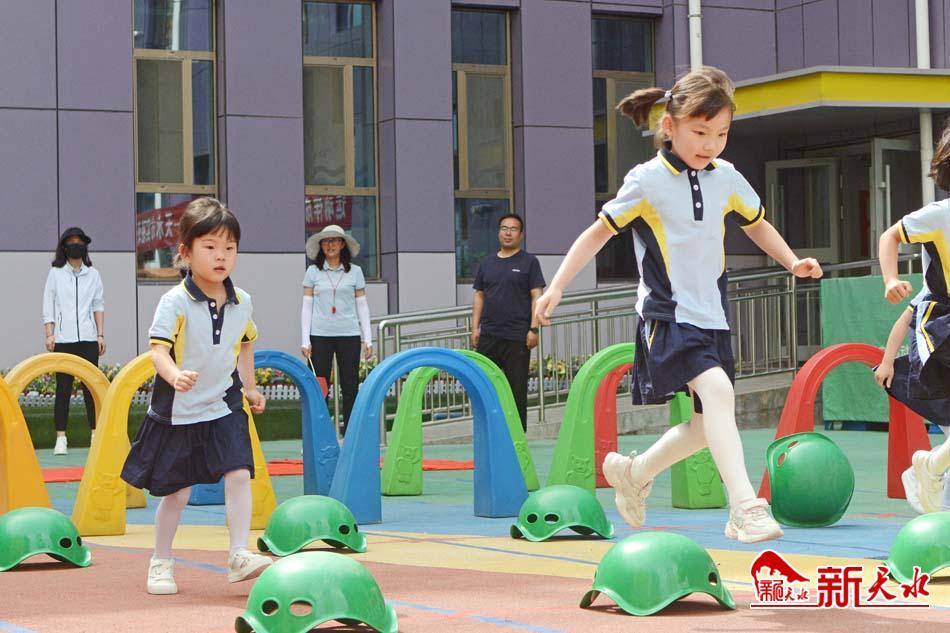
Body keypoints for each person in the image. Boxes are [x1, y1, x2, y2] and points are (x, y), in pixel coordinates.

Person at [534, 66, 822, 543]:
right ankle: (745, 507)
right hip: (666, 316)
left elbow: (755, 223)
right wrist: (558, 285)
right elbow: (598, 233)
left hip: (713, 315)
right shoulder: (646, 180)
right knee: (721, 395)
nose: (710, 144)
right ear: (670, 126)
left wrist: (792, 262)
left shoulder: (726, 176)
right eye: (700, 132)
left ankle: (635, 471)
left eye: (722, 133)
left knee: (706, 425)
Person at [120, 198, 272, 595]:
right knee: (177, 492)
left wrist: (251, 387)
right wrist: (174, 375)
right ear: (185, 253)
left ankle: (238, 554)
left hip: (223, 404)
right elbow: (158, 350)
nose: (221, 256)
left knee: (239, 472)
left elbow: (245, 343)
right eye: (210, 247)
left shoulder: (244, 301)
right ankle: (161, 561)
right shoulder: (174, 302)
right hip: (179, 411)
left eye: (229, 248)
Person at [878, 118, 950, 513]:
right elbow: (890, 235)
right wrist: (890, 278)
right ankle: (931, 473)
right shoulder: (940, 215)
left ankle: (930, 467)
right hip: (942, 323)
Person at [874, 290, 949, 513]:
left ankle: (928, 476)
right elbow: (904, 320)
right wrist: (887, 361)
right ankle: (932, 487)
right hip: (937, 379)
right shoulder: (933, 289)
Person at [470, 213, 545, 431]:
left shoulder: (529, 262)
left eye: (513, 229)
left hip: (517, 336)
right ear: (498, 232)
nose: (508, 232)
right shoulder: (487, 263)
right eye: (504, 228)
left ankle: (517, 436)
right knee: (483, 385)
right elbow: (479, 296)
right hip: (489, 335)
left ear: (521, 235)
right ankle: (486, 430)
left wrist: (534, 328)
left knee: (516, 389)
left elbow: (536, 296)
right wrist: (475, 328)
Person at [301, 225, 372, 437]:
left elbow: (362, 306)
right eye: (326, 241)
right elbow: (306, 306)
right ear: (321, 245)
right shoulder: (312, 272)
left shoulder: (356, 272)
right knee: (319, 387)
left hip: (349, 335)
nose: (330, 245)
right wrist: (305, 340)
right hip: (320, 335)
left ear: (343, 244)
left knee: (350, 386)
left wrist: (368, 338)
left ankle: (350, 434)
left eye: (335, 241)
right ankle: (319, 434)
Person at [42, 227, 106, 455]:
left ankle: (95, 434)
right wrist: (50, 334)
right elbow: (48, 305)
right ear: (64, 247)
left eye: (80, 242)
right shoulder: (56, 273)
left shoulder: (93, 274)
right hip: (64, 339)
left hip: (88, 339)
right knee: (63, 389)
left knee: (91, 388)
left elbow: (98, 305)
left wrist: (100, 334)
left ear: (85, 246)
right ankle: (61, 438)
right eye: (71, 242)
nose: (76, 246)